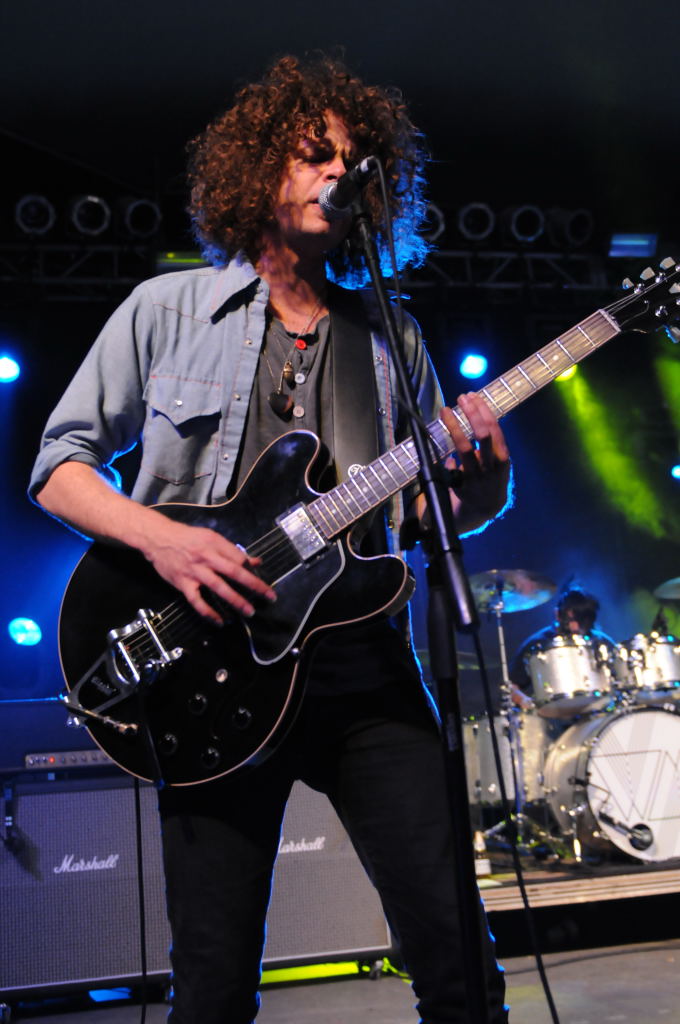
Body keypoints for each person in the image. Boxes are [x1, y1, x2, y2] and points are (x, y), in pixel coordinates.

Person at [30, 55, 511, 1024]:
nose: (338, 171)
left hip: (364, 670)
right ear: (257, 171)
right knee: (213, 991)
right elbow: (58, 466)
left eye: (355, 160)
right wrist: (163, 541)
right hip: (211, 673)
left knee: (459, 961)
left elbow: (420, 520)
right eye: (311, 153)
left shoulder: (392, 337)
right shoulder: (167, 311)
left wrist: (486, 487)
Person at [509, 584, 616, 709]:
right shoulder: (538, 643)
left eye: (581, 621)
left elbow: (620, 676)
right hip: (554, 715)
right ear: (557, 614)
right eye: (570, 620)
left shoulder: (600, 642)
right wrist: (524, 701)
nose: (575, 627)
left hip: (599, 710)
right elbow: (510, 685)